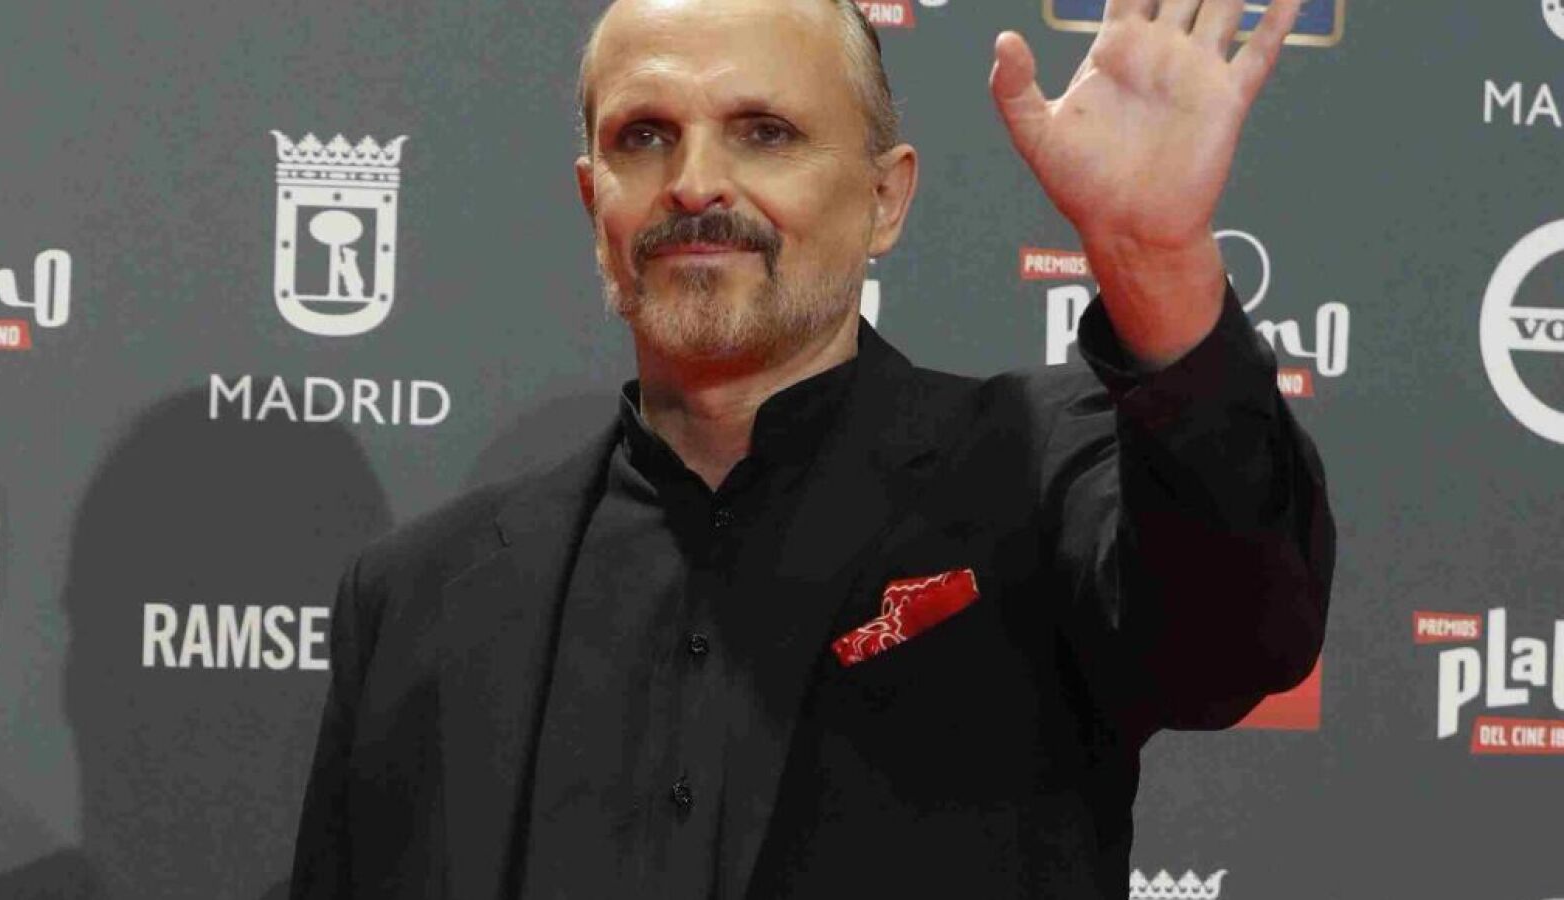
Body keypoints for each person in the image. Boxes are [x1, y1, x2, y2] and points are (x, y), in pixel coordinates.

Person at [288, 0, 1335, 897]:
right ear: (591, 197)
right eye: (644, 137)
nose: (695, 183)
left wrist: (1154, 262)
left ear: (886, 199)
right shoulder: (417, 601)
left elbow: (1238, 638)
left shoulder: (1039, 470)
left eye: (764, 133)